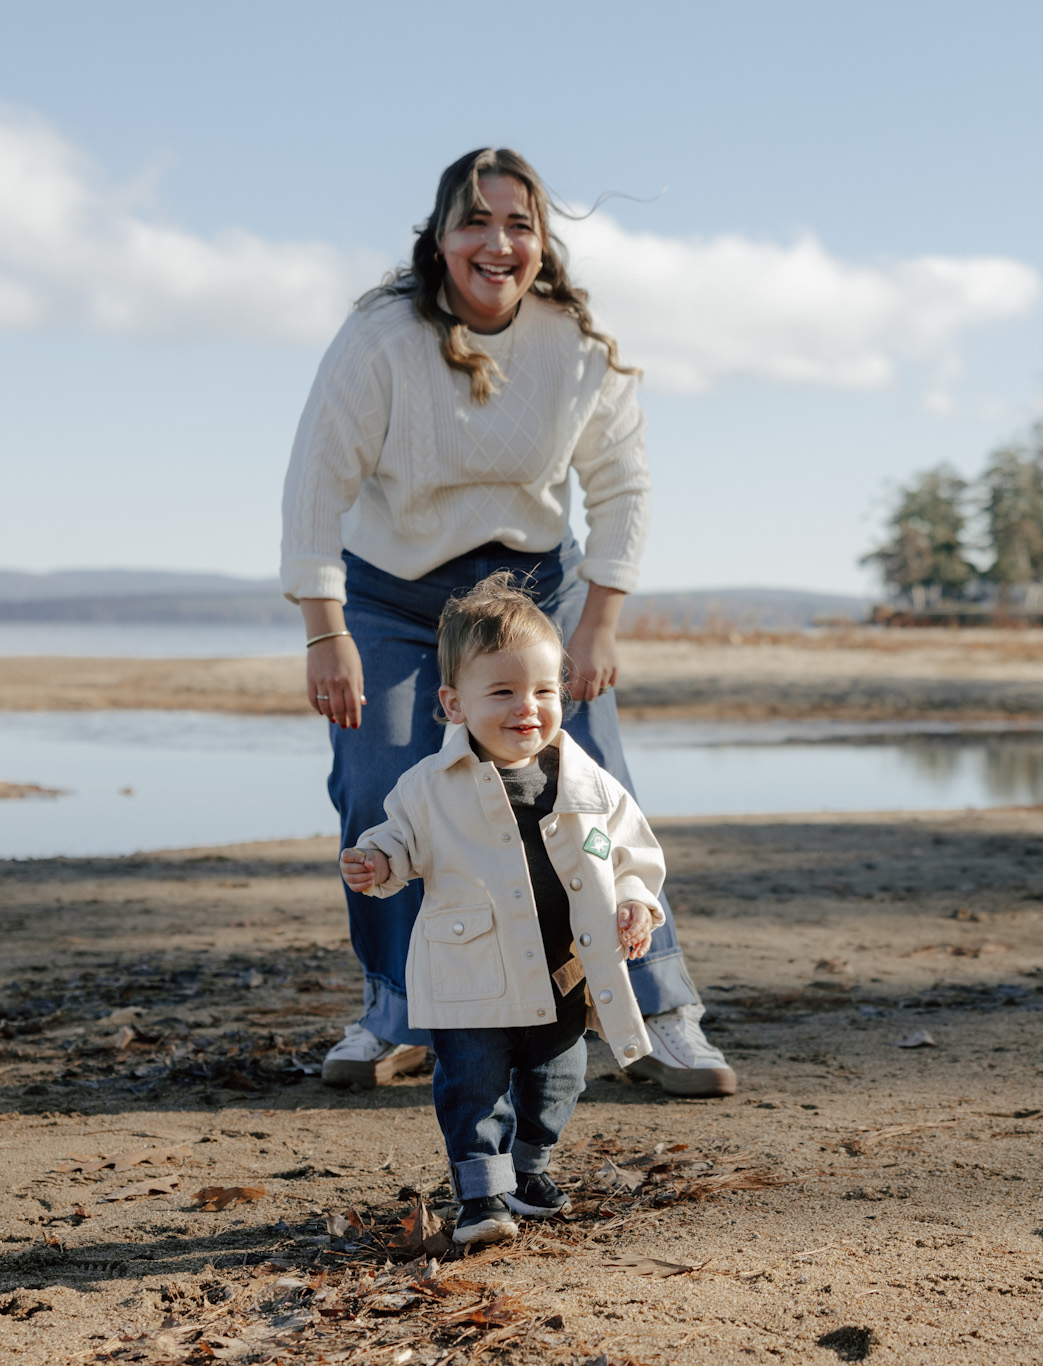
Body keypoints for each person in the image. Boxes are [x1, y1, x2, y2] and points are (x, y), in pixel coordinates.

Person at [280, 146, 734, 1097]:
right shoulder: (380, 338)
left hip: (535, 586)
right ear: (439, 240)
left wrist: (599, 623)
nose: (498, 243)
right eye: (475, 223)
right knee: (378, 785)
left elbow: (623, 487)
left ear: (541, 243)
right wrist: (327, 632)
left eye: (518, 224)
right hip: (395, 593)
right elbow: (317, 484)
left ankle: (659, 1005)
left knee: (595, 783)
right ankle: (392, 1010)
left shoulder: (573, 347)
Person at [341, 574, 661, 1245]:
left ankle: (529, 1165)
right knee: (473, 1084)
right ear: (455, 704)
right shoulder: (429, 787)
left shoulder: (586, 781)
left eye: (545, 691)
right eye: (504, 692)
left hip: (563, 973)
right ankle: (482, 1198)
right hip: (472, 975)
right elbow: (399, 839)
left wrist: (635, 902)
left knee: (560, 1076)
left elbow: (630, 852)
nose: (529, 708)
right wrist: (379, 862)